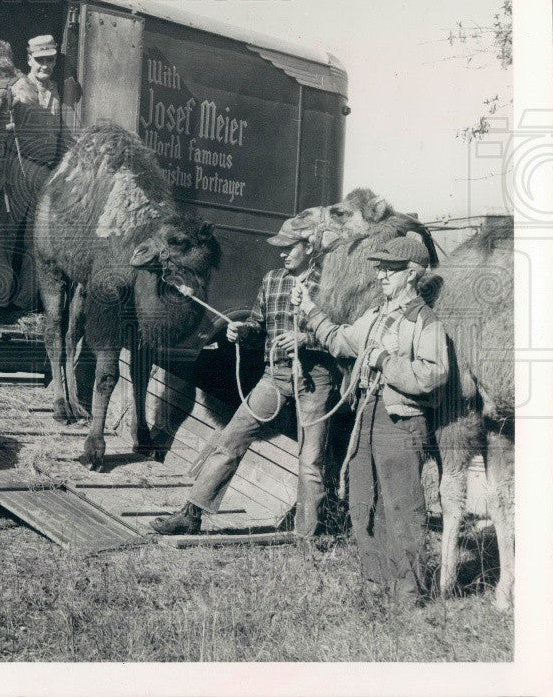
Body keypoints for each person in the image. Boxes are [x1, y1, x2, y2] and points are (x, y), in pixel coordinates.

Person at [151, 219, 339, 540]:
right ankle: (191, 514)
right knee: (231, 439)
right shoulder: (273, 281)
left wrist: (306, 340)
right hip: (275, 376)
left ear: (309, 248)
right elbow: (257, 326)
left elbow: (340, 339)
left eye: (289, 248)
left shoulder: (331, 285)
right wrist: (242, 332)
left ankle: (308, 536)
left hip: (315, 380)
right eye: (279, 248)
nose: (281, 255)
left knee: (311, 460)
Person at [294, 236, 448, 606]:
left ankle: (408, 595)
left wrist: (382, 361)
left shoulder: (424, 321)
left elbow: (432, 375)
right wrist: (311, 310)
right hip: (366, 413)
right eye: (378, 266)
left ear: (411, 274)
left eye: (389, 268)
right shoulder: (377, 315)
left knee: (402, 507)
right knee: (363, 500)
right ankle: (376, 585)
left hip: (400, 420)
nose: (379, 273)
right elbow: (341, 341)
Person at [0, 34, 70, 313]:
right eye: (40, 60)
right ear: (29, 59)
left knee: (36, 242)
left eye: (50, 60)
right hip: (17, 167)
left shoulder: (58, 93)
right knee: (6, 237)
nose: (45, 65)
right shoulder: (17, 88)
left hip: (45, 174)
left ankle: (23, 303)